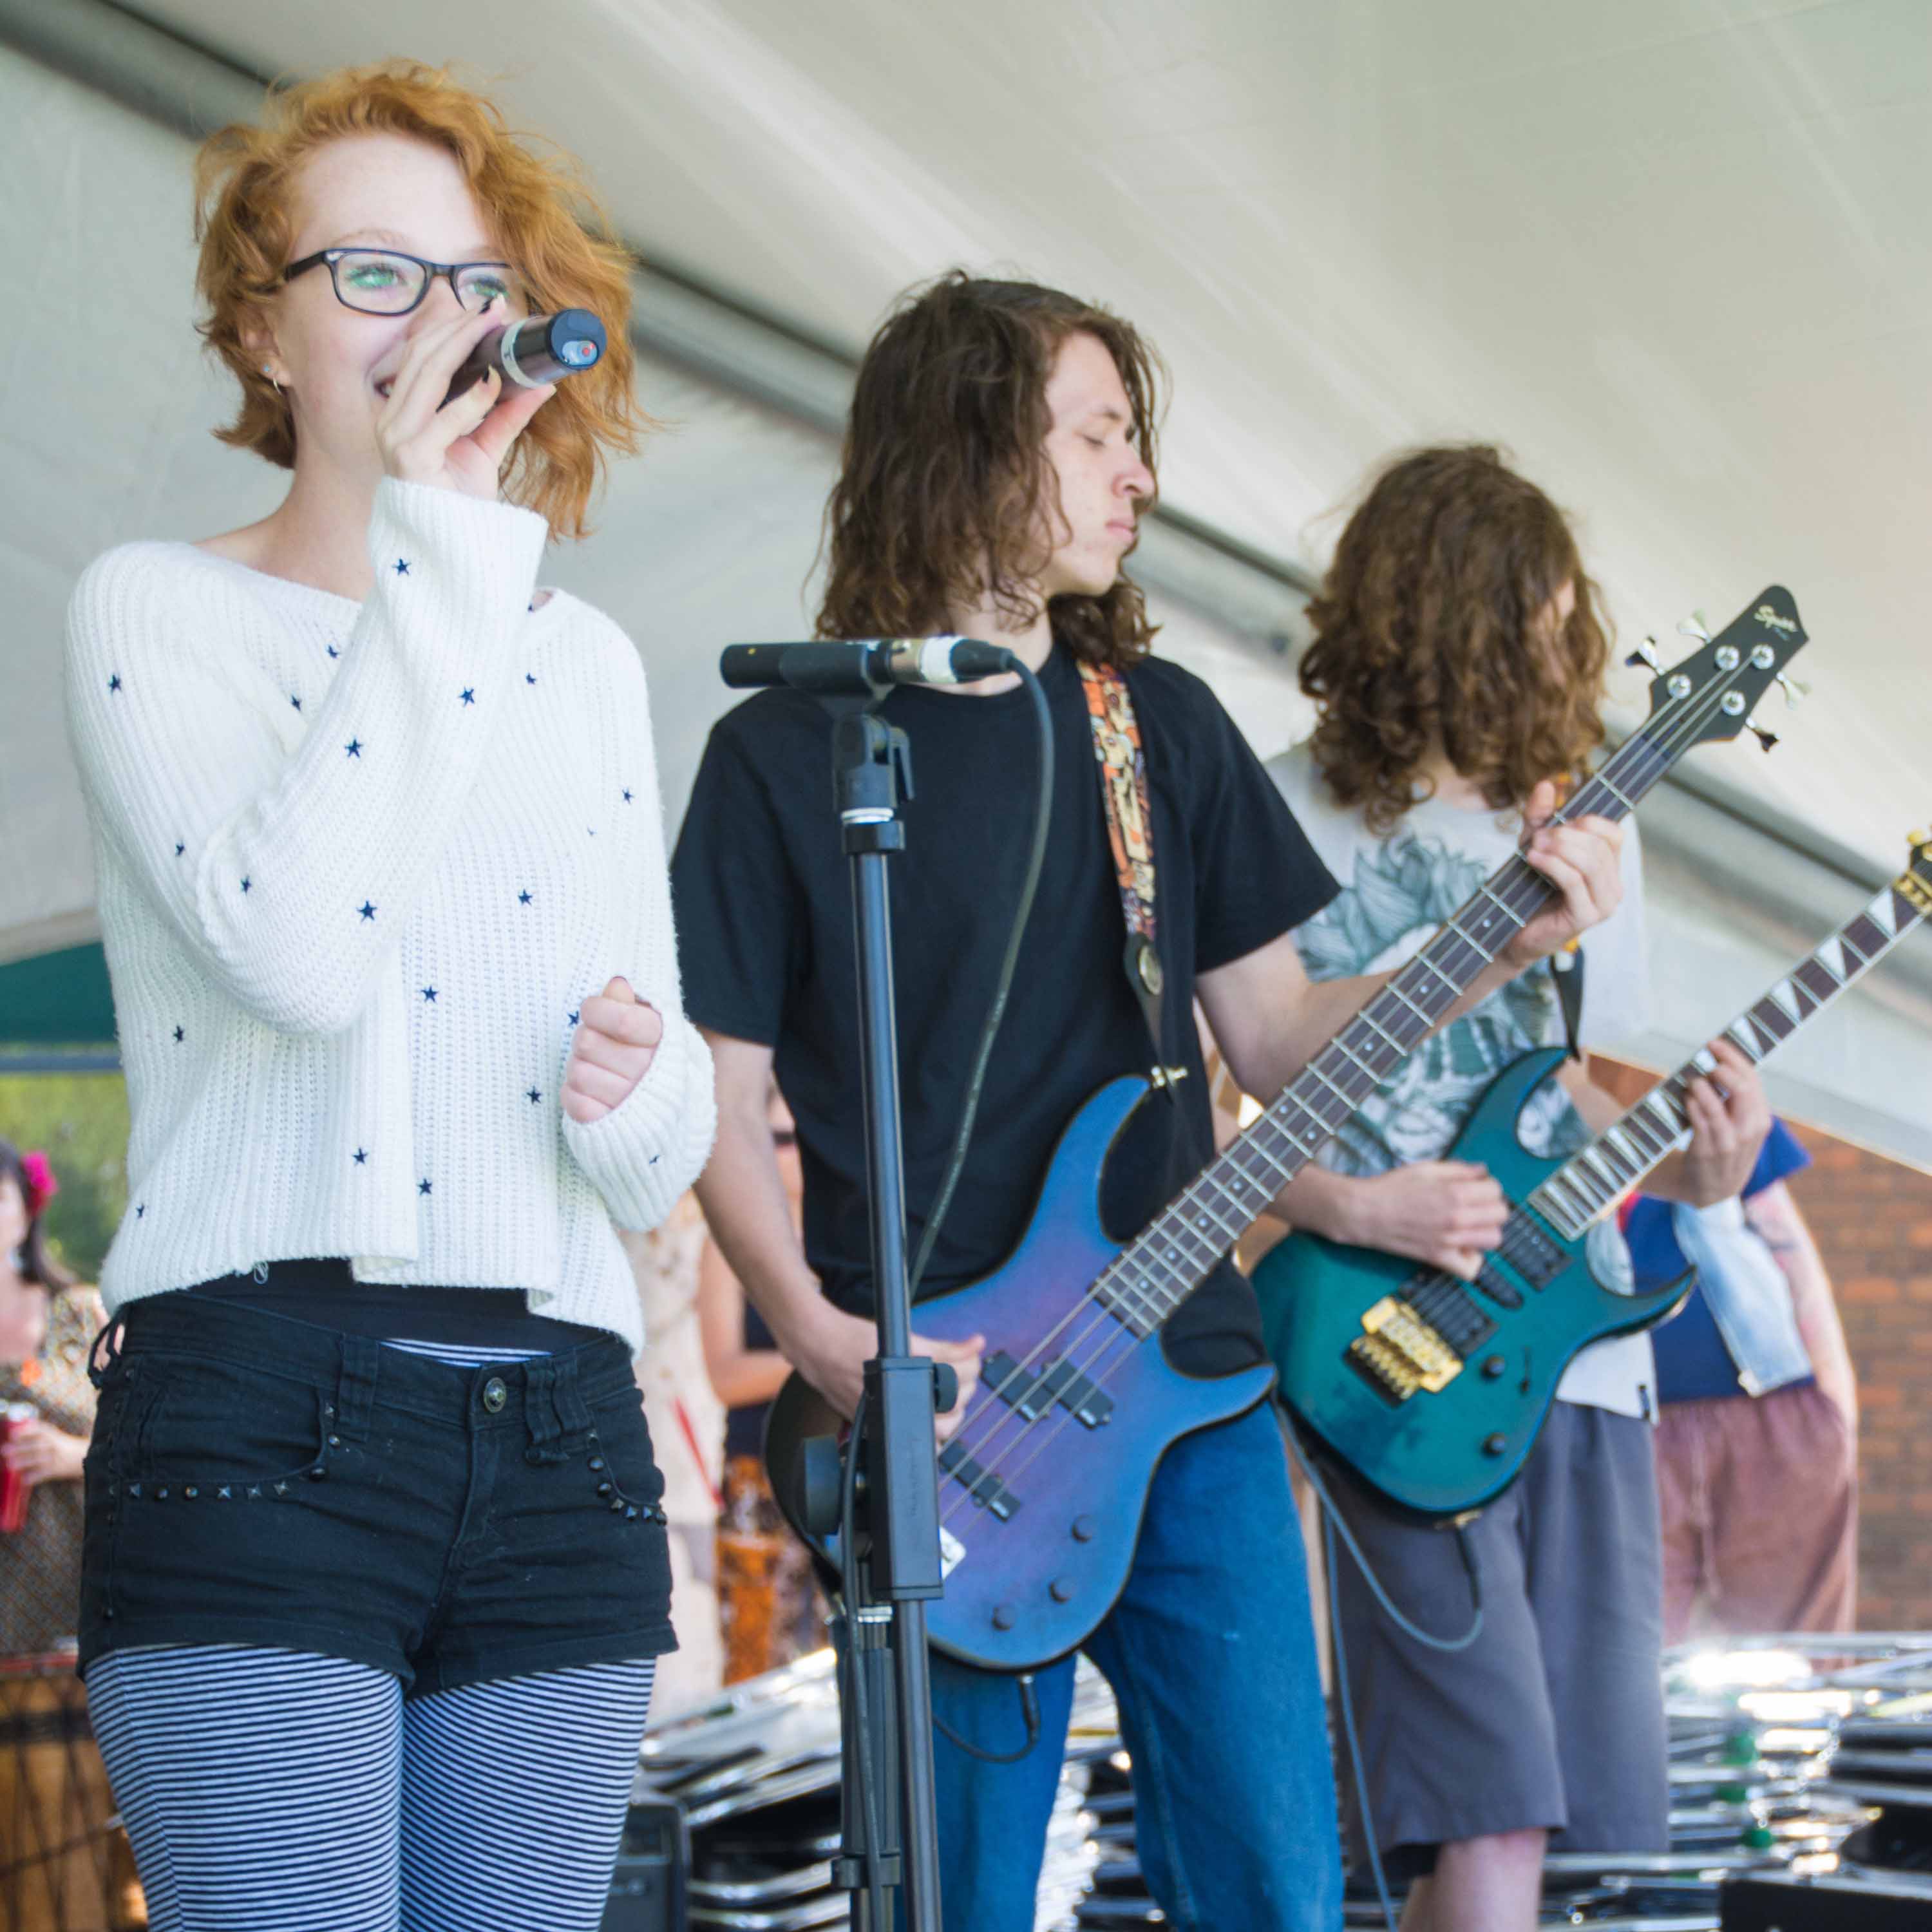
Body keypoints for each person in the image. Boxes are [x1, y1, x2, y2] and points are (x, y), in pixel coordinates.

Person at [670, 279, 1628, 1931]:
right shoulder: (785, 754)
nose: (1137, 477)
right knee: (961, 1897)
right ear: (972, 447)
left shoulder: (1154, 728)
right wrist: (826, 1338)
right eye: (1098, 433)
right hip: (949, 1414)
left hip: (1190, 1380)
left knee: (1270, 1878)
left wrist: (1500, 945)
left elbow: (1273, 1042)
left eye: (1136, 439)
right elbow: (716, 1086)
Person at [61, 61, 712, 1932]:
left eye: (471, 281)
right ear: (259, 332)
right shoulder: (155, 609)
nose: (434, 323)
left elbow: (660, 1142)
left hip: (561, 1420)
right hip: (266, 1407)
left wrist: (639, 1081)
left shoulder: (578, 659)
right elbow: (289, 946)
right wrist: (442, 555)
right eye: (368, 275)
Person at [1262, 444, 1772, 1932]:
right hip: (1379, 1343)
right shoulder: (1294, 816)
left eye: (1570, 618)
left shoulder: (1593, 829)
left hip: (1572, 1350)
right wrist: (1352, 1210)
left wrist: (1704, 1161)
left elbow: (1584, 1092)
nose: (1562, 651)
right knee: (1483, 1819)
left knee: (1525, 1841)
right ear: (1432, 618)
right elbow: (1213, 1102)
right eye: (1530, 615)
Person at [1624, 1115, 1859, 1638]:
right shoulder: (1547, 1115)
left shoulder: (1706, 1106)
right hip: (1630, 1426)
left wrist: (1836, 1405)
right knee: (1639, 1646)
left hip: (1773, 1412)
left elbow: (1797, 1264)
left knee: (1792, 1648)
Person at [698, 1088, 829, 1681]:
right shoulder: (730, 1243)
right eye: (776, 1138)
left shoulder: (851, 1246)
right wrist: (826, 1352)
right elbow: (725, 1375)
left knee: (847, 1652)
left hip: (838, 1468)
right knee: (755, 1659)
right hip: (757, 1474)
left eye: (798, 1137)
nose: (790, 1152)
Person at [0, 1143, 109, 1655]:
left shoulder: (81, 1312)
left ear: (27, 1211)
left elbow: (150, 1443)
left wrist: (70, 1456)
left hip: (77, 1589)